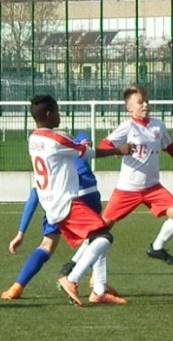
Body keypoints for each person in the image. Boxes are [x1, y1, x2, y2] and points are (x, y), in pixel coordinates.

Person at [27, 95, 131, 307]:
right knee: (103, 238)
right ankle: (71, 277)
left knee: (96, 236)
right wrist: (118, 150)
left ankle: (100, 290)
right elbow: (87, 153)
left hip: (52, 204)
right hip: (65, 202)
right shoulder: (55, 140)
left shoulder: (34, 138)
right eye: (57, 112)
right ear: (48, 114)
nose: (59, 116)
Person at [1, 132, 118, 301]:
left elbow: (34, 197)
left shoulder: (46, 160)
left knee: (47, 245)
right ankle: (88, 282)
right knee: (98, 237)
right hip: (81, 198)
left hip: (54, 205)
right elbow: (84, 141)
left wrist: (21, 232)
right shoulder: (71, 151)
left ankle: (18, 286)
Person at [100, 85, 173, 266]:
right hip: (127, 189)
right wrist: (117, 150)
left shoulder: (158, 125)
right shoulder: (127, 126)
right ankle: (76, 263)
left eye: (147, 101)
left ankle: (157, 247)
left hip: (152, 188)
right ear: (130, 107)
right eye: (140, 102)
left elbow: (170, 148)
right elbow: (104, 145)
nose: (145, 105)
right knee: (101, 228)